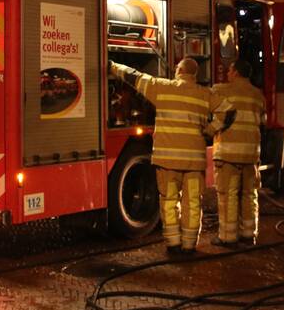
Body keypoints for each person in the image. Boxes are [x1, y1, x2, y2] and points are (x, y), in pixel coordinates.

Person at [109, 58, 236, 254]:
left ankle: (173, 244)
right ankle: (189, 245)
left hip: (167, 162)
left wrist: (112, 66)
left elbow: (136, 77)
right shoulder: (205, 94)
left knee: (168, 201)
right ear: (194, 75)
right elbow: (229, 111)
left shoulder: (163, 88)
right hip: (193, 163)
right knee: (192, 202)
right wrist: (211, 130)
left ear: (179, 71)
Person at [210, 59, 266, 248]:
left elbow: (215, 117)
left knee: (228, 194)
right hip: (251, 154)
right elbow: (263, 121)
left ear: (235, 72)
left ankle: (227, 236)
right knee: (249, 194)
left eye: (229, 70)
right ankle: (249, 233)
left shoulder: (221, 90)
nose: (227, 74)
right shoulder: (258, 95)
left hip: (228, 154)